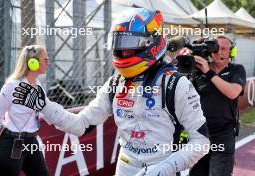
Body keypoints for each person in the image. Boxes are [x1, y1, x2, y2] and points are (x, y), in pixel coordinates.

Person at [12, 8, 210, 176]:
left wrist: (164, 169)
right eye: (119, 44)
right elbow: (80, 124)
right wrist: (44, 105)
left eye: (129, 45)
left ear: (152, 43)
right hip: (125, 168)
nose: (123, 52)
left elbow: (201, 141)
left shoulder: (176, 84)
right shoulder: (115, 83)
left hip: (162, 168)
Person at [189, 35, 246, 176]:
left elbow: (233, 92)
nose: (219, 53)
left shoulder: (237, 69)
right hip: (200, 133)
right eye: (215, 48)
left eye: (224, 49)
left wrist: (208, 72)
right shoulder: (198, 71)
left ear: (231, 52)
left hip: (223, 134)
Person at [0, 45, 50, 176]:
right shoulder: (11, 86)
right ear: (33, 63)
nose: (48, 63)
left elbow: (47, 111)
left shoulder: (38, 85)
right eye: (46, 60)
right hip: (10, 143)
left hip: (31, 142)